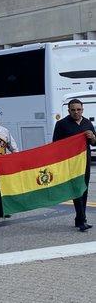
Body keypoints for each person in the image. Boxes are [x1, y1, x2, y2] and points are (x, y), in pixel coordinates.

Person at [53, 99, 96, 232]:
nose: (76, 112)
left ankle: (80, 219)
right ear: (68, 110)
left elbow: (94, 143)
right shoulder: (62, 124)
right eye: (73, 110)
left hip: (85, 161)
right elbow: (56, 145)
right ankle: (82, 219)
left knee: (84, 189)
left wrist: (93, 137)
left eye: (78, 109)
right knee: (76, 190)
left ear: (82, 109)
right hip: (71, 163)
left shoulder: (87, 123)